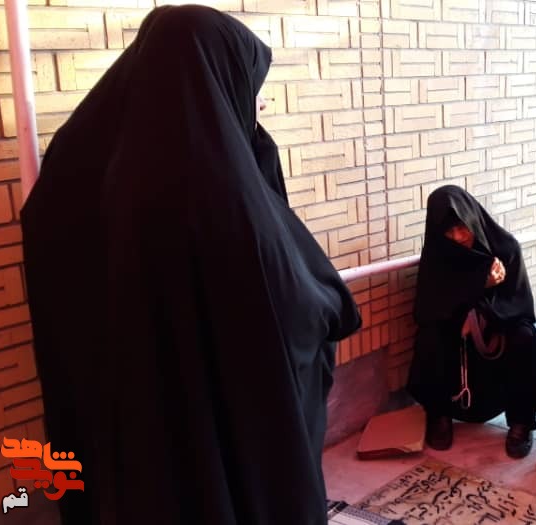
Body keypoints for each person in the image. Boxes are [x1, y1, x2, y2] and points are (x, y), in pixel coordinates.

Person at [20, 5, 361, 524]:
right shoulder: (222, 186)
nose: (258, 100)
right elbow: (289, 306)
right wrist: (330, 301)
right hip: (231, 428)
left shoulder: (88, 161)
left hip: (142, 426)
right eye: (251, 84)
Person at [407, 185, 536, 459]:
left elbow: (519, 305)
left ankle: (521, 422)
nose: (458, 237)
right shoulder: (437, 255)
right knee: (430, 337)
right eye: (449, 231)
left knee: (525, 337)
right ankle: (439, 415)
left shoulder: (505, 248)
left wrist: (482, 314)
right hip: (452, 326)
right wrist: (478, 288)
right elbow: (427, 309)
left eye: (462, 227)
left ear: (473, 218)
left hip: (500, 325)